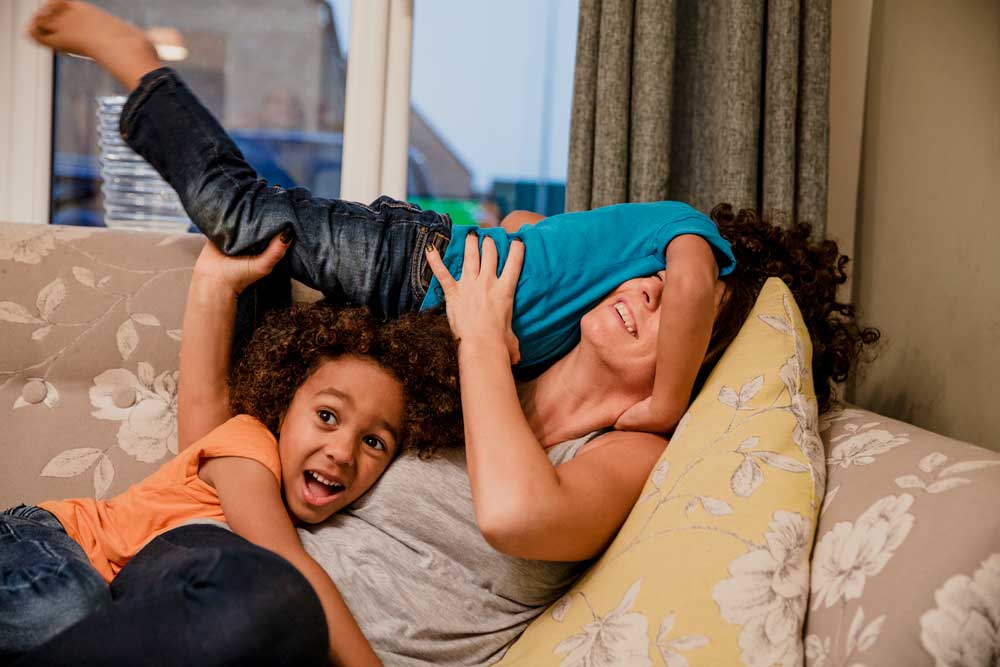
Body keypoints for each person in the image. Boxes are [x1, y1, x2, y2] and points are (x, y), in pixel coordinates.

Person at [21, 4, 879, 667]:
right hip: (216, 582)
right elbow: (231, 453)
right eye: (645, 280)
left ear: (700, 359)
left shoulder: (627, 453)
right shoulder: (444, 371)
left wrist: (483, 345)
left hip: (262, 630)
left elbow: (513, 510)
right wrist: (214, 290)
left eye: (674, 313)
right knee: (257, 588)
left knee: (258, 607)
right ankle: (142, 78)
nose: (647, 293)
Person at [29, 0, 736, 437]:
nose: (664, 299)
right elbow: (697, 288)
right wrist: (666, 401)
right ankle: (140, 67)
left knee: (266, 342)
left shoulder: (614, 272)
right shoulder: (688, 236)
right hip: (406, 262)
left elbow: (523, 222)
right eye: (679, 299)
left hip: (416, 287)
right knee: (240, 213)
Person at [0, 234, 462, 666]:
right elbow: (290, 565)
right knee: (64, 606)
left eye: (374, 442)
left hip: (114, 600)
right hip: (43, 540)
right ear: (283, 409)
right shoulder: (247, 448)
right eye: (326, 416)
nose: (343, 452)